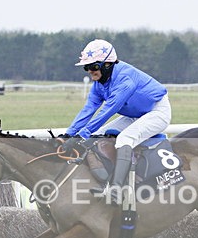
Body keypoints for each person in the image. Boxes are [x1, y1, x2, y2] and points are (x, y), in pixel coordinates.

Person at [62, 39, 171, 204]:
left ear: (107, 64)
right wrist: (68, 134)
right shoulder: (100, 84)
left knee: (124, 139)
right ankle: (104, 181)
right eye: (87, 67)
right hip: (134, 115)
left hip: (157, 111)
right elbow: (89, 109)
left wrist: (82, 135)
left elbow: (107, 111)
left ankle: (117, 189)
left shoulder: (125, 79)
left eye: (93, 67)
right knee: (97, 136)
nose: (90, 72)